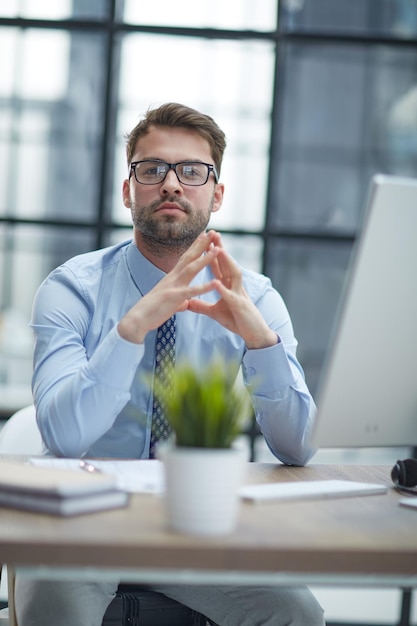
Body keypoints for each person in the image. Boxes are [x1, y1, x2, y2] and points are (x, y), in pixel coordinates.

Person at [15, 102, 325, 626]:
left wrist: (259, 340)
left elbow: (299, 446)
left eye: (193, 171)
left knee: (297, 613)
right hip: (84, 522)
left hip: (195, 518)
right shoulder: (71, 288)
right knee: (58, 610)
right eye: (152, 169)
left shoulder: (256, 298)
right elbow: (65, 437)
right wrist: (134, 327)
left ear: (217, 194)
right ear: (128, 189)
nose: (172, 184)